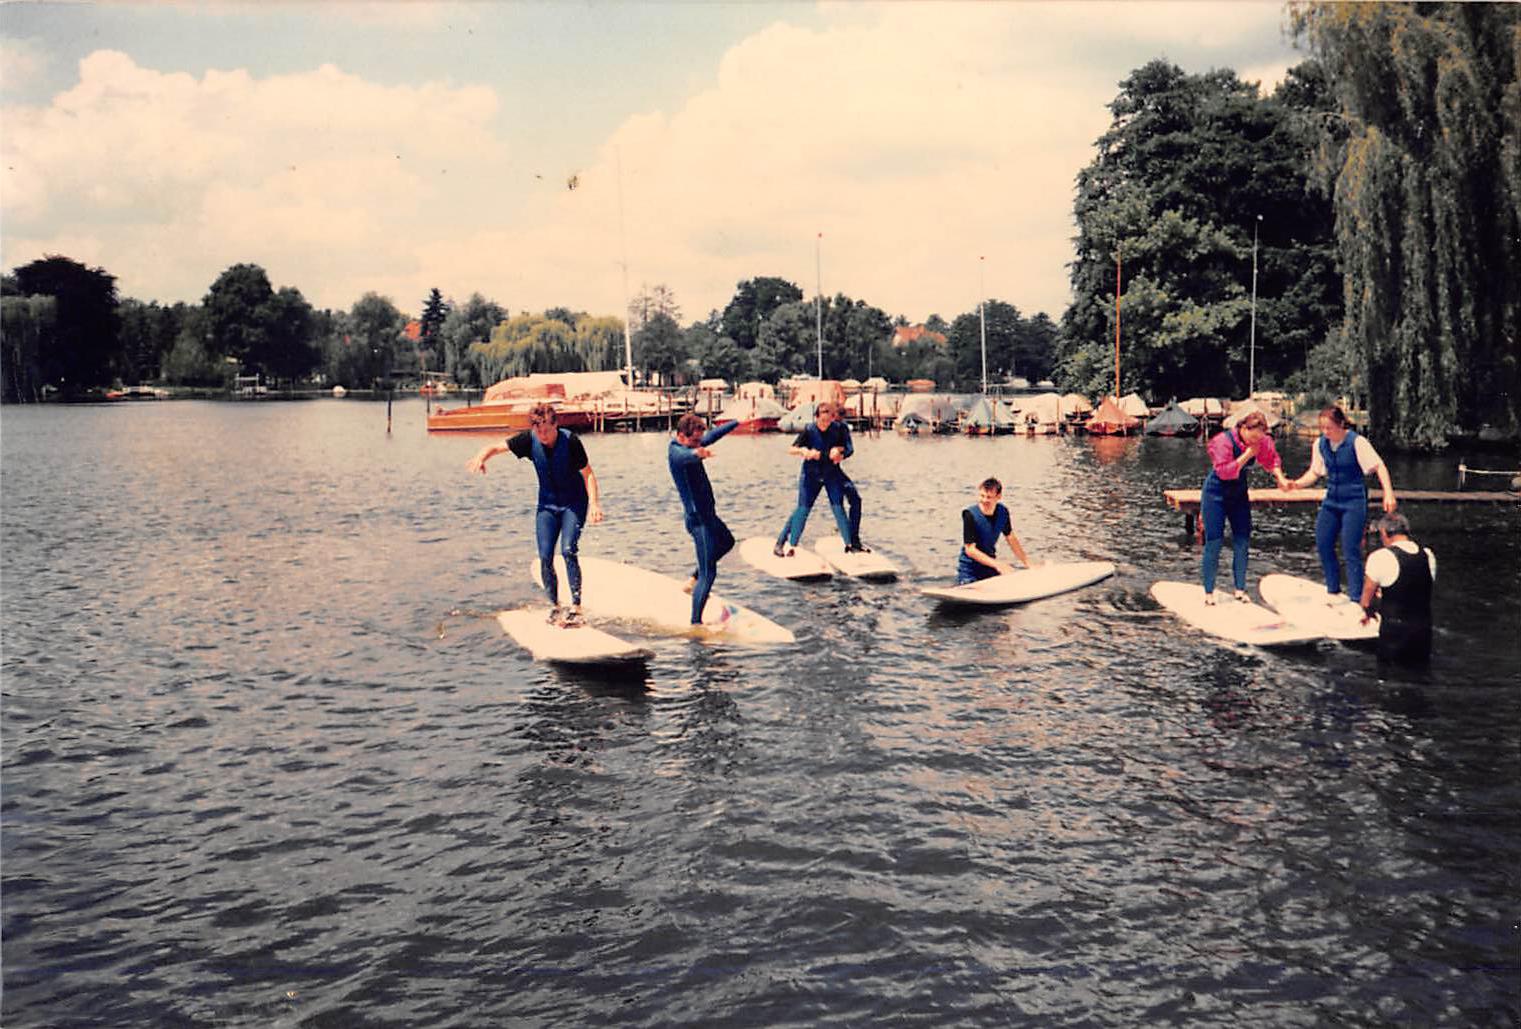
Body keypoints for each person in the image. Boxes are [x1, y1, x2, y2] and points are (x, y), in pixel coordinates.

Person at [468, 403, 603, 626]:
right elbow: (496, 447)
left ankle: (576, 607)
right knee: (545, 557)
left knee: (568, 549)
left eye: (547, 431)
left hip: (574, 503)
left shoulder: (570, 442)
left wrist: (596, 504)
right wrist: (481, 457)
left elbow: (588, 474)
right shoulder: (529, 440)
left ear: (556, 425)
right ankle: (555, 607)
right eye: (538, 431)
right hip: (547, 506)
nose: (543, 436)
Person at [1286, 405, 1397, 603]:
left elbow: (1379, 466)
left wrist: (1388, 494)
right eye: (1322, 428)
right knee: (1323, 543)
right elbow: (1315, 472)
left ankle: (1356, 598)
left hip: (1354, 500)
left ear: (1340, 424)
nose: (1325, 432)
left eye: (1329, 428)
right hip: (1332, 501)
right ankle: (1333, 590)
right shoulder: (1320, 444)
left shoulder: (1357, 442)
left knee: (1350, 548)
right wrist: (1296, 484)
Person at [1200, 410, 1292, 604]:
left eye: (1260, 436)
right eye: (1252, 436)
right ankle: (1209, 592)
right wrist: (1248, 454)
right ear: (1243, 428)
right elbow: (1224, 472)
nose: (1255, 440)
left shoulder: (1262, 441)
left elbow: (1271, 459)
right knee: (1214, 542)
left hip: (1239, 493)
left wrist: (1281, 478)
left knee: (1242, 540)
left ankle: (1240, 590)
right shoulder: (1222, 441)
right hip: (1216, 493)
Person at [668, 413, 741, 629]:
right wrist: (698, 452)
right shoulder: (676, 451)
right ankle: (695, 623)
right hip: (698, 521)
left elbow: (712, 437)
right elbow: (686, 456)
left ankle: (693, 580)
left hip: (709, 517)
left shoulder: (693, 442)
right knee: (709, 573)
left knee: (727, 542)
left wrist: (737, 421)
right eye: (694, 440)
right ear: (681, 436)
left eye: (700, 439)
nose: (699, 442)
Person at [773, 402, 867, 557]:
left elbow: (848, 448)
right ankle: (784, 544)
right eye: (822, 421)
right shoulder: (810, 430)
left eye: (828, 421)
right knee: (802, 509)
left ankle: (850, 545)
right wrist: (804, 451)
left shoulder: (838, 429)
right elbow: (791, 449)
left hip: (831, 474)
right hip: (811, 475)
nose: (825, 424)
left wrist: (840, 453)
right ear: (816, 418)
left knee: (838, 508)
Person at [1359, 512, 1436, 665]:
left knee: (1389, 678)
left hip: (1394, 636)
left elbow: (1366, 603)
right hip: (1423, 633)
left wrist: (1370, 613)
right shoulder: (1428, 555)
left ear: (1384, 533)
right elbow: (1419, 589)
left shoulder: (1379, 557)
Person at [957, 477, 1038, 583]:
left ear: (998, 497)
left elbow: (1010, 537)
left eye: (989, 497)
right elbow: (970, 550)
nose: (984, 500)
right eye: (982, 496)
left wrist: (1027, 563)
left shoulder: (1002, 512)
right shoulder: (970, 515)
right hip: (970, 571)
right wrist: (998, 564)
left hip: (989, 568)